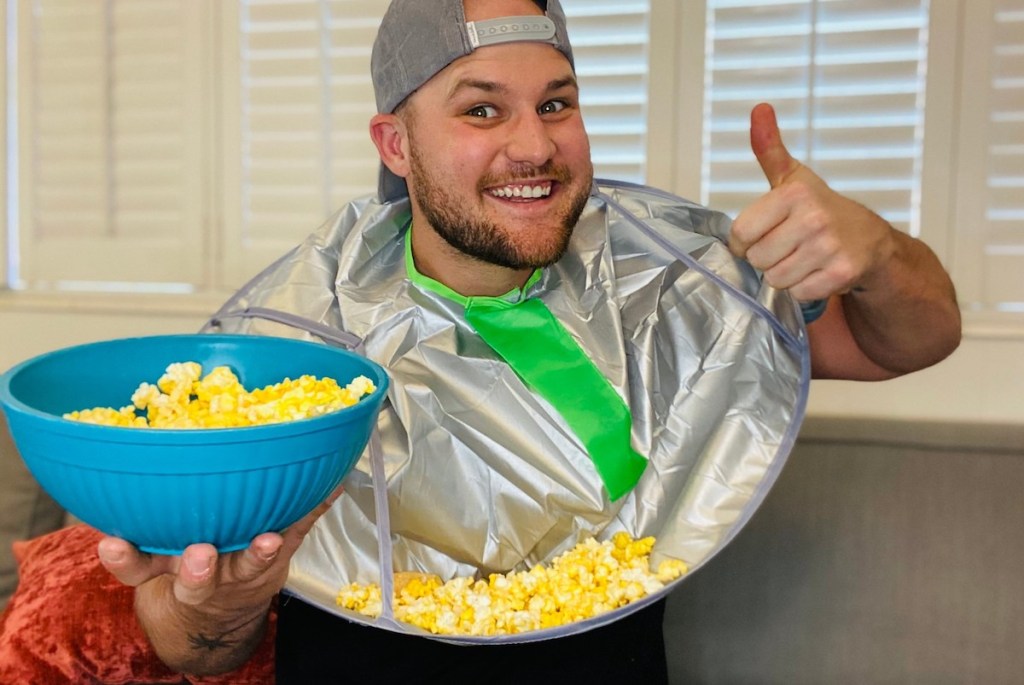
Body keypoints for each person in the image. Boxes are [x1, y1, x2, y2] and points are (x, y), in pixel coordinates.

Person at [96, 0, 961, 682]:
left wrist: (880, 251)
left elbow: (910, 342)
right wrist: (223, 603)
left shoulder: (665, 284)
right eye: (482, 109)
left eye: (557, 103)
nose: (534, 145)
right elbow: (192, 647)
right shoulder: (292, 342)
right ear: (396, 144)